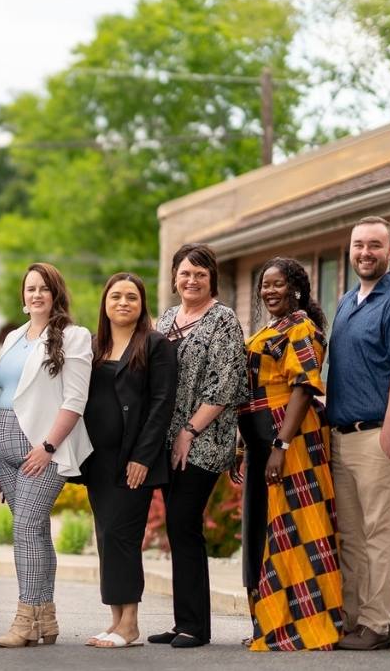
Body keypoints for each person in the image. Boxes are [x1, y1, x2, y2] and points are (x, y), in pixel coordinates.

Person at [326, 216, 390, 651]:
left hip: (378, 437)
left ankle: (375, 623)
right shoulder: (349, 301)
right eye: (358, 245)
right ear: (349, 251)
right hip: (342, 435)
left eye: (374, 245)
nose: (364, 253)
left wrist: (389, 433)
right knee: (349, 535)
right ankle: (351, 619)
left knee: (379, 533)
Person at [0, 263, 93, 648]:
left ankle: (25, 620)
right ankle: (47, 619)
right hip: (3, 442)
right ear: (23, 297)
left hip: (42, 447)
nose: (36, 294)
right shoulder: (12, 336)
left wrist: (48, 447)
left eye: (44, 288)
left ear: (56, 293)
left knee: (26, 529)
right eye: (30, 289)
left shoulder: (74, 337)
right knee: (37, 532)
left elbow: (75, 399)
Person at [236, 257, 344, 651]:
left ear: (296, 287)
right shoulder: (269, 328)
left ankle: (300, 625)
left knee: (294, 532)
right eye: (265, 285)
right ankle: (268, 621)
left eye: (278, 284)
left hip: (292, 439)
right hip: (260, 439)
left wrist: (280, 445)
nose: (269, 291)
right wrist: (243, 445)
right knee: (263, 531)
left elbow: (303, 388)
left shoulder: (302, 328)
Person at [148, 243, 248, 649]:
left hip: (203, 440)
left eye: (200, 275)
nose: (191, 280)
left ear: (213, 280)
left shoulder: (223, 320)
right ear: (174, 277)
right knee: (177, 528)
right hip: (167, 439)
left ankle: (195, 627)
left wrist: (189, 432)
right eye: (185, 273)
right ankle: (182, 621)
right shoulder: (168, 318)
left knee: (184, 524)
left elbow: (224, 386)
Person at [83, 273, 176, 649]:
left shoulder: (155, 344)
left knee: (123, 536)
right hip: (97, 460)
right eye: (116, 296)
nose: (123, 302)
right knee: (106, 537)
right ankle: (115, 619)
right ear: (105, 303)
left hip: (133, 459)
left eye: (132, 297)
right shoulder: (93, 345)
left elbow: (161, 404)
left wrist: (143, 457)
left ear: (142, 305)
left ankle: (131, 624)